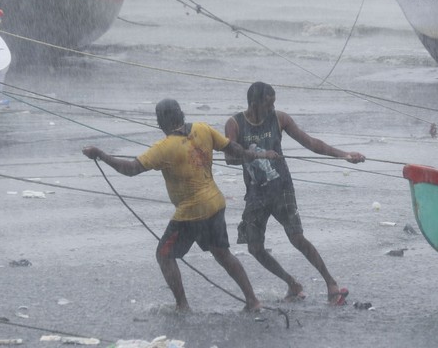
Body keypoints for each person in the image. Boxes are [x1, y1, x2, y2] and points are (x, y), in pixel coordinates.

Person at [82, 98, 273, 312]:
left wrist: (100, 155)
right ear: (181, 115)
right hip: (216, 204)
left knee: (164, 255)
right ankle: (252, 300)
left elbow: (131, 169)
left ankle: (182, 305)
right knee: (222, 254)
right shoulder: (203, 128)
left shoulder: (163, 148)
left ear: (160, 122)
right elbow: (233, 148)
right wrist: (254, 155)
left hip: (191, 213)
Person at [225, 81, 365, 305]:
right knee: (255, 248)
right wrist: (260, 155)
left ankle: (330, 283)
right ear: (255, 104)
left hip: (282, 188)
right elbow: (229, 158)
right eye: (268, 104)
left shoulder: (280, 118)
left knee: (297, 238)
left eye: (274, 103)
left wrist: (345, 155)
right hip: (255, 193)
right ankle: (292, 283)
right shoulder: (235, 124)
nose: (272, 108)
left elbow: (311, 143)